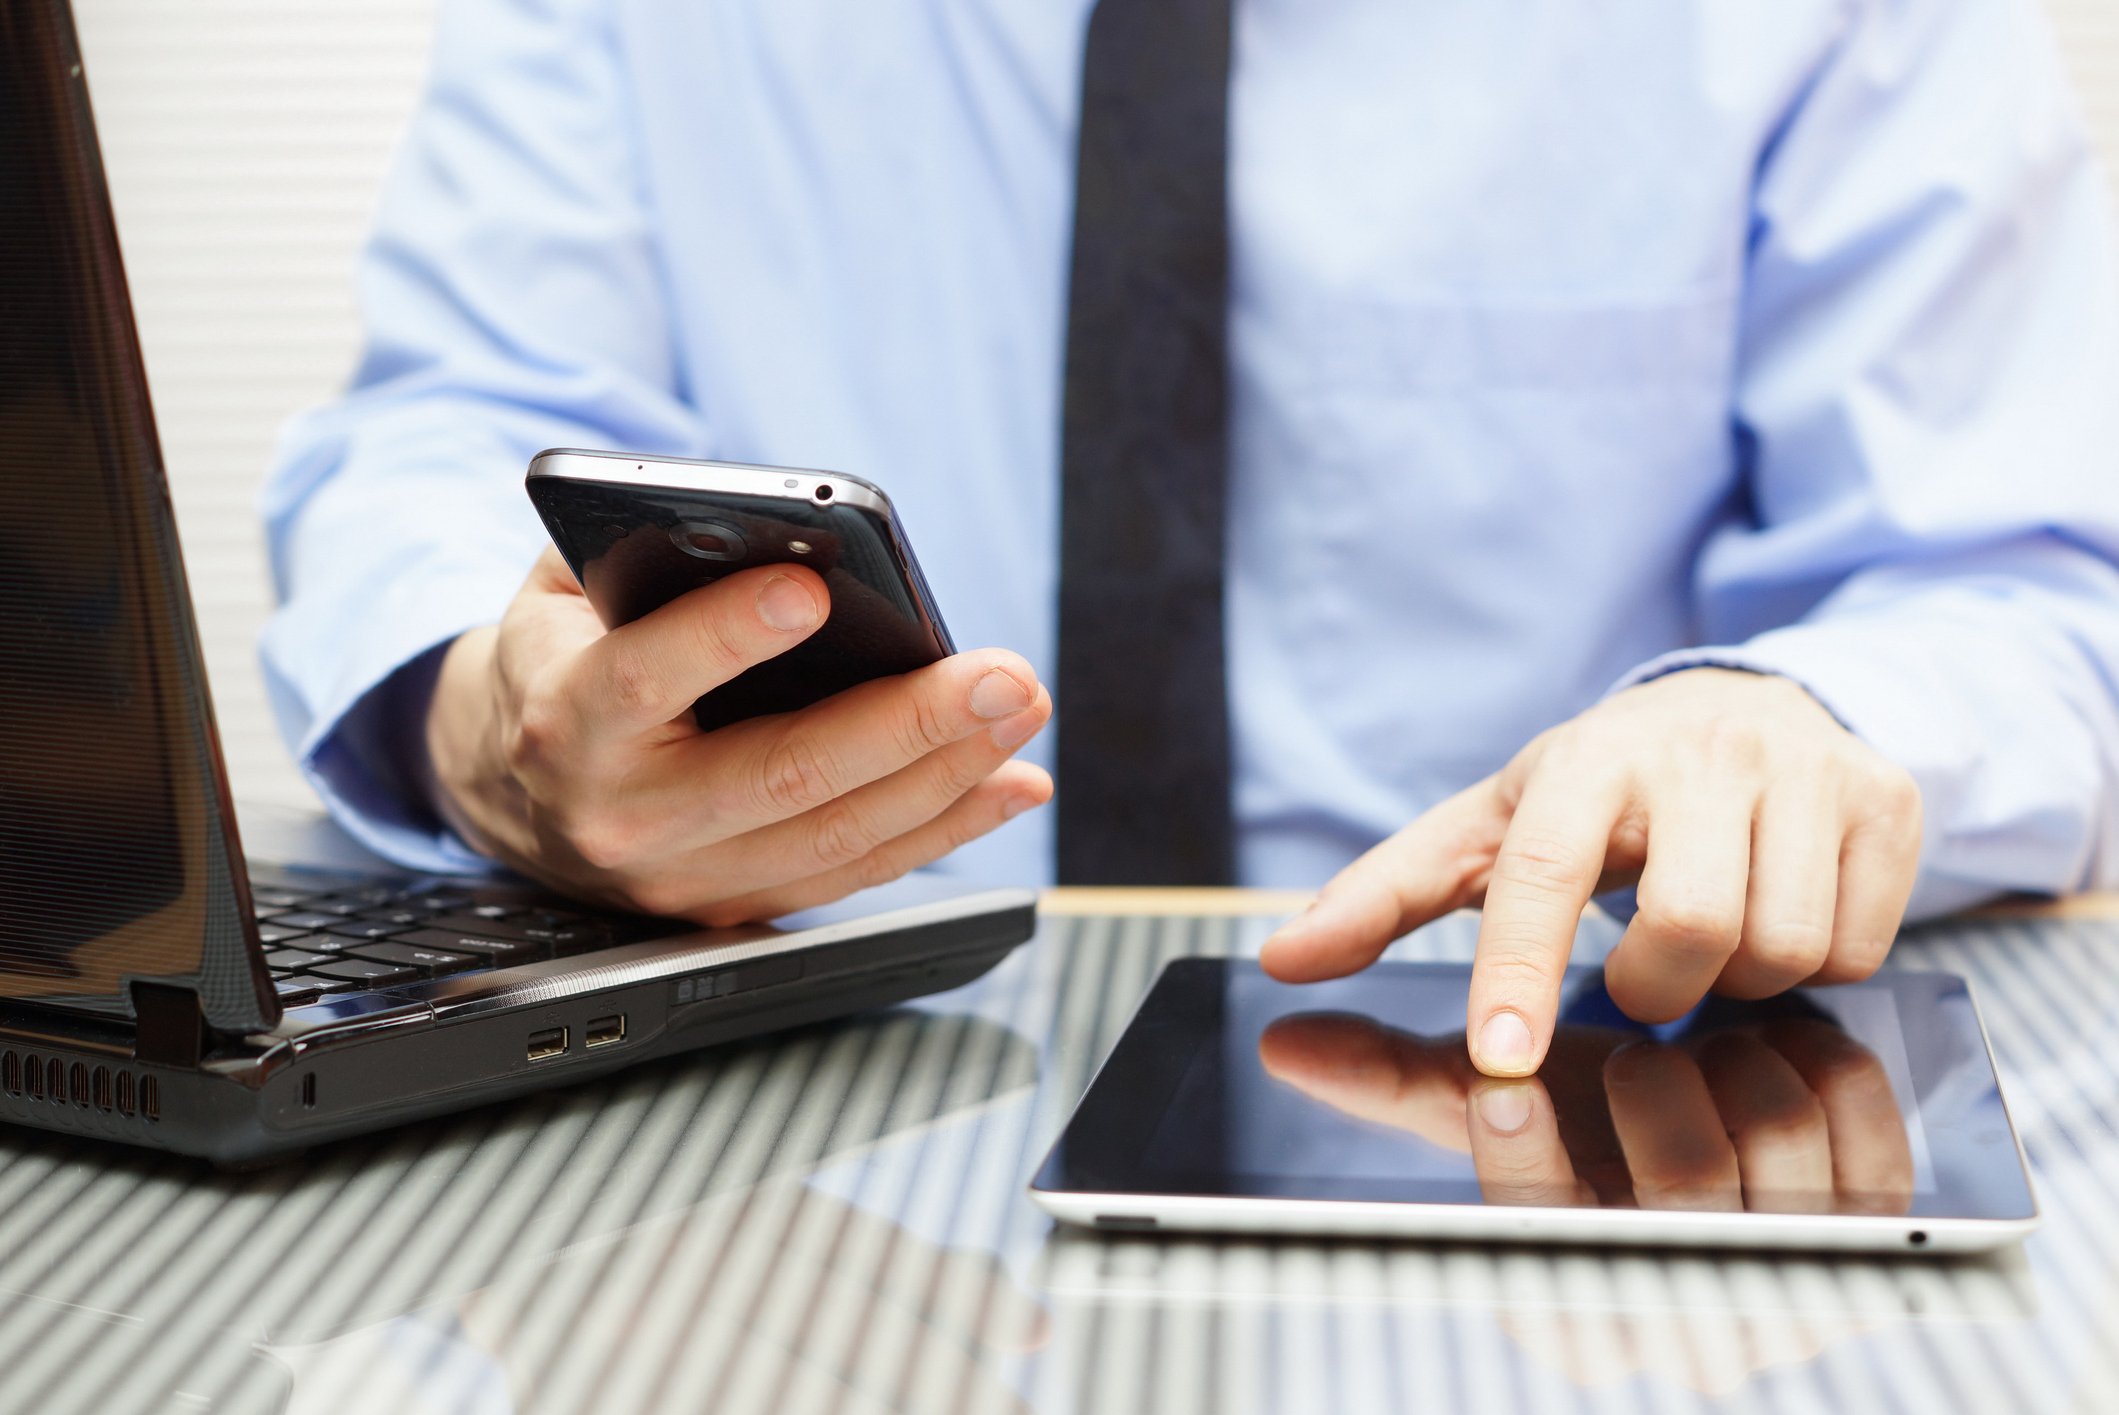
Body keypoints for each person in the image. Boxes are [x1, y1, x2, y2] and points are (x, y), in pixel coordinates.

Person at [260, 0, 2119, 1079]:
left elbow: (2021, 588)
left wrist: (1795, 717)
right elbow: (445, 433)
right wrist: (490, 728)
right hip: (792, 1094)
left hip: (1577, 1100)